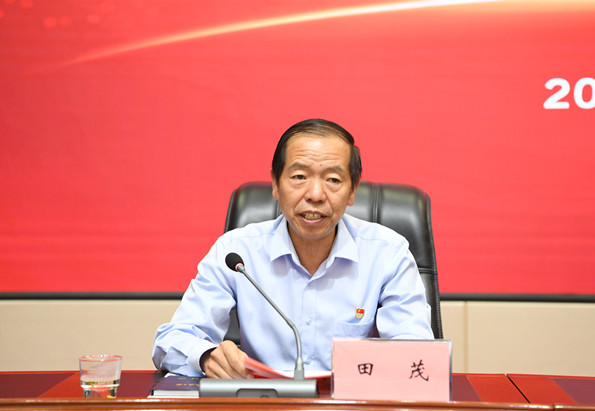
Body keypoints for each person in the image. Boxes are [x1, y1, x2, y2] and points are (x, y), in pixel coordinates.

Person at [152, 118, 434, 378]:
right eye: (299, 177)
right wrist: (206, 357)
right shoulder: (236, 252)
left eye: (333, 180)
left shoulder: (387, 253)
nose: (315, 194)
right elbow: (172, 339)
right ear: (275, 185)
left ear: (352, 191)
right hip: (263, 404)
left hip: (349, 404)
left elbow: (415, 351)